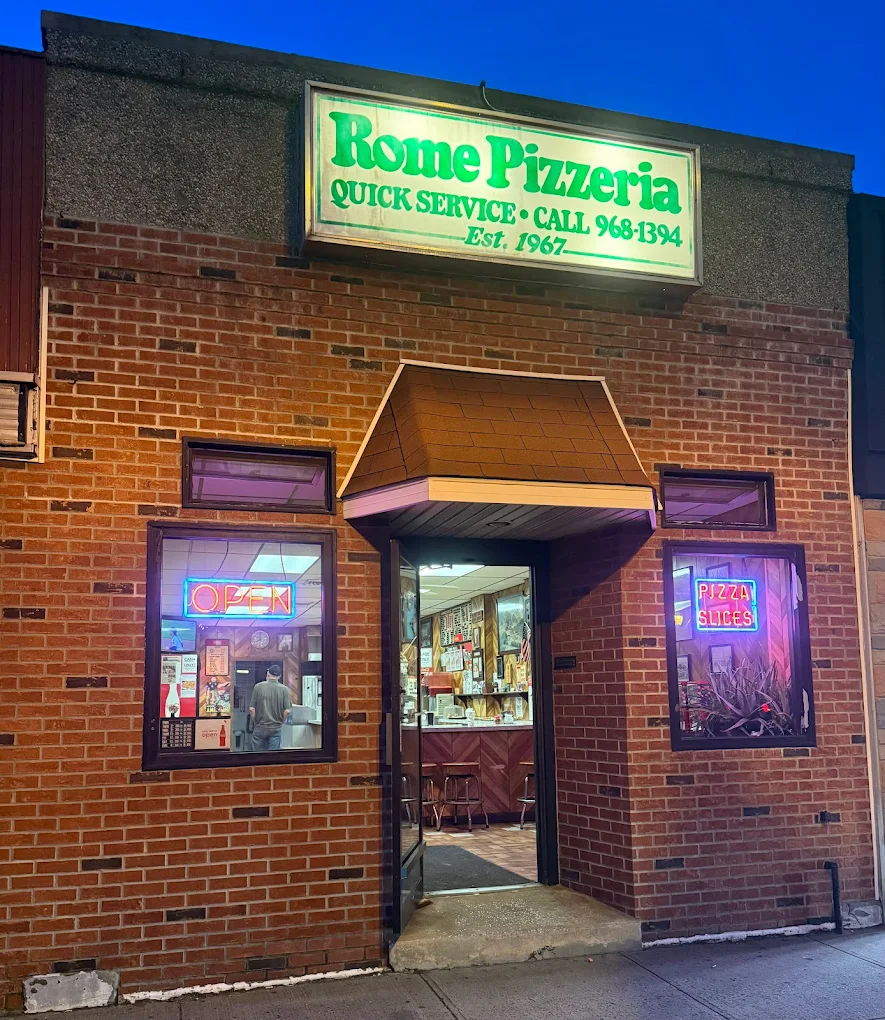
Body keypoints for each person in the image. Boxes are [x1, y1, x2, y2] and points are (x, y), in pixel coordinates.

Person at [249, 664, 292, 751]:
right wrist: (280, 722)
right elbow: (287, 711)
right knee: (273, 756)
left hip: (260, 726)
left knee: (255, 755)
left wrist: (255, 722)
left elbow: (251, 709)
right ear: (279, 676)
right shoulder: (285, 689)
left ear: (267, 674)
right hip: (275, 728)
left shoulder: (258, 687)